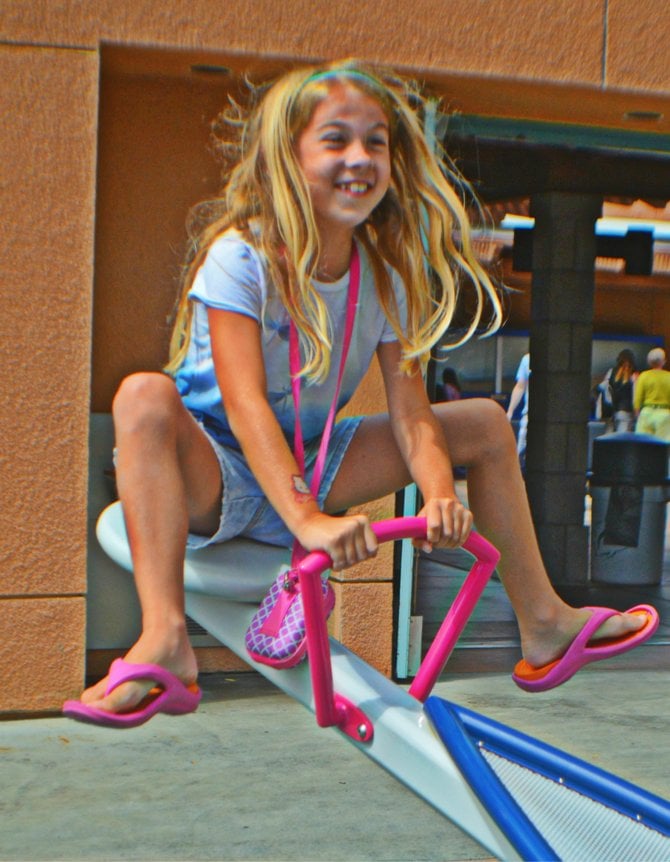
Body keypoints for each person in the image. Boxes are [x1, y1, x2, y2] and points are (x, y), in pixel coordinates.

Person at [64, 59, 656, 726]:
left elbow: (413, 416)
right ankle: (165, 638)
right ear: (290, 158)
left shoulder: (383, 274)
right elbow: (244, 405)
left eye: (376, 141)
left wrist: (438, 494)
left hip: (314, 457)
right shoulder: (242, 256)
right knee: (142, 394)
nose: (360, 157)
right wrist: (308, 521)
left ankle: (544, 623)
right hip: (216, 468)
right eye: (336, 139)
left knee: (486, 424)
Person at [634, 347, 670, 441]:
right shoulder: (668, 377)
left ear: (649, 361)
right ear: (663, 361)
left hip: (647, 412)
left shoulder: (644, 376)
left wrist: (638, 414)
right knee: (663, 444)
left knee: (643, 443)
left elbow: (637, 398)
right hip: (664, 413)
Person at [598, 349, 638, 433]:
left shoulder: (611, 372)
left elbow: (602, 388)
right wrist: (636, 413)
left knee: (608, 437)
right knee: (621, 439)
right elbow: (635, 395)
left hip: (610, 411)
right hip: (625, 412)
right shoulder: (634, 375)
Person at [506, 353, 530, 469]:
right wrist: (510, 411)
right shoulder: (527, 359)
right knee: (520, 450)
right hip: (529, 415)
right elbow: (520, 386)